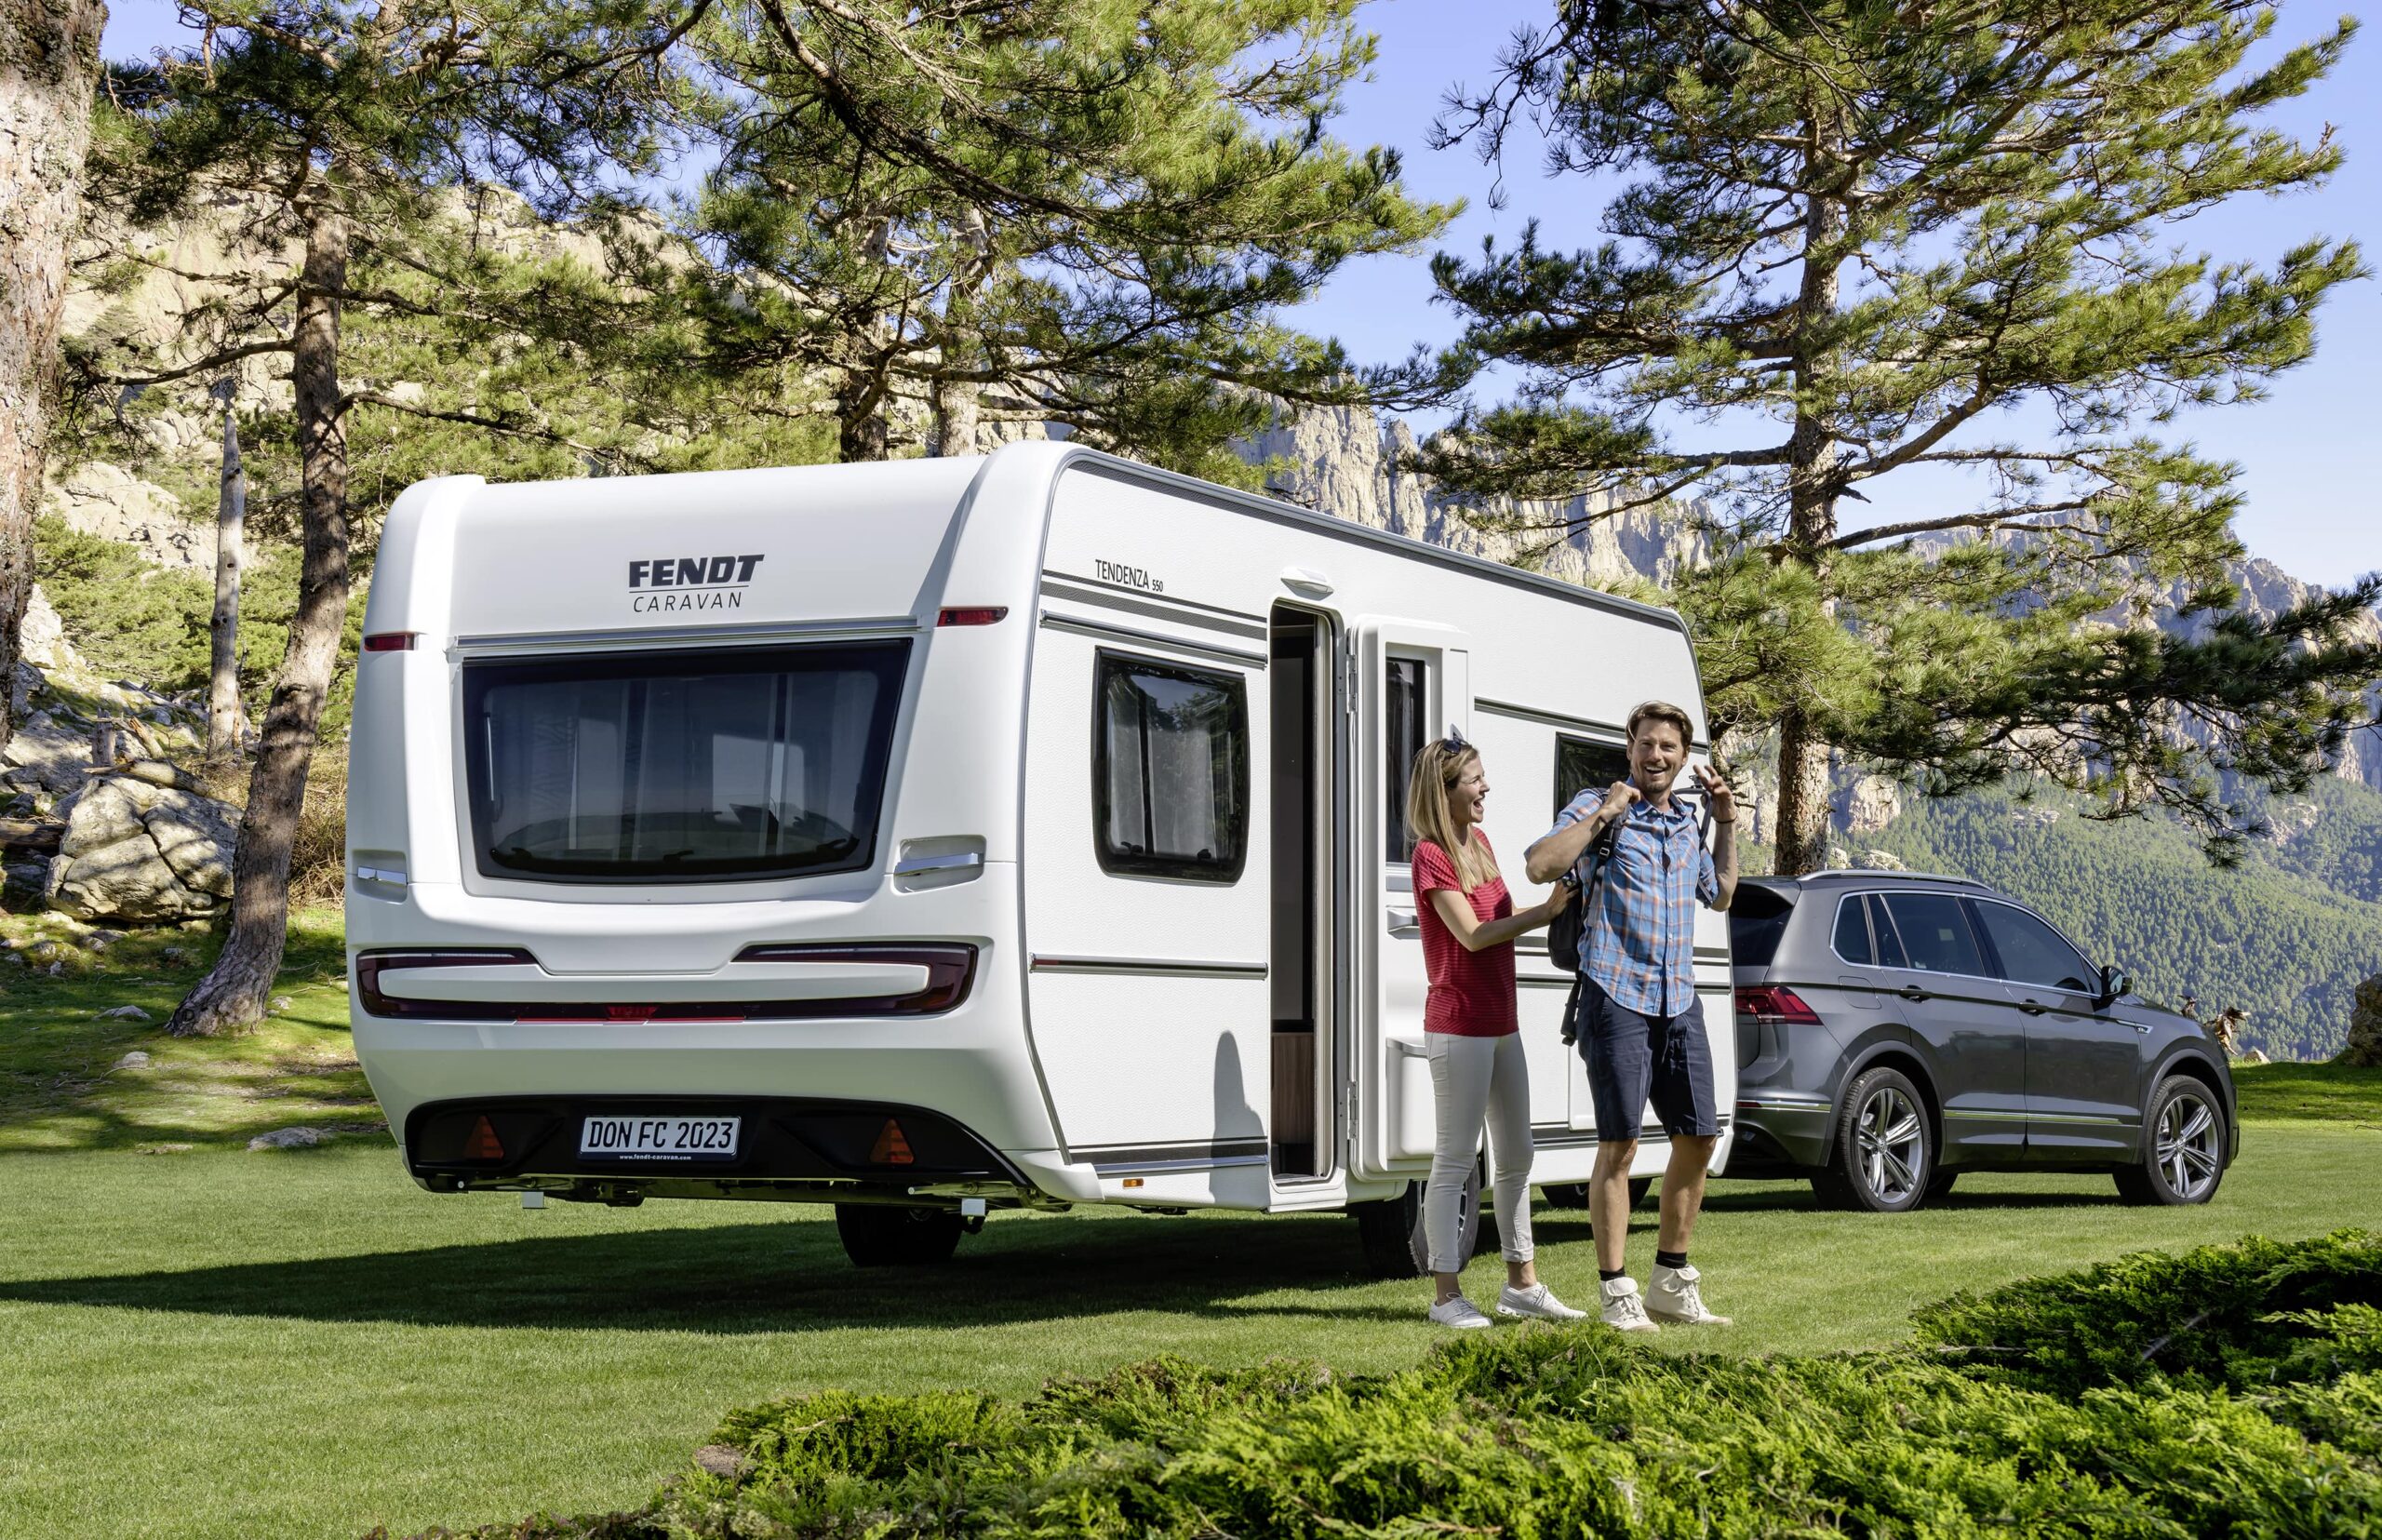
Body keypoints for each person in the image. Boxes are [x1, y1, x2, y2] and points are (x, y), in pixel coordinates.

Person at [1524, 701, 1739, 1333]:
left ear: (1683, 754)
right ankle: (1616, 1289)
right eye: (1647, 743)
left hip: (1679, 1001)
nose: (1656, 756)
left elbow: (1721, 893)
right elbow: (1539, 864)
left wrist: (1726, 821)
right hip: (1615, 996)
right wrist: (1604, 815)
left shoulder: (1686, 823)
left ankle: (1671, 1280)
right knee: (1618, 1145)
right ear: (1630, 746)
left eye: (1669, 747)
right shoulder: (1599, 806)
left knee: (1700, 1136)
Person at [1406, 730, 1586, 1329]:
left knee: (1516, 1155)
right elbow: (1475, 935)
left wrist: (1560, 903)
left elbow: (1502, 920)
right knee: (1457, 1160)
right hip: (1458, 1025)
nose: (1487, 788)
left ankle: (1521, 1284)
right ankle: (1445, 1296)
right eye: (1476, 780)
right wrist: (1547, 911)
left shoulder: (1478, 842)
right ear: (1445, 790)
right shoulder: (1432, 853)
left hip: (1500, 1022)